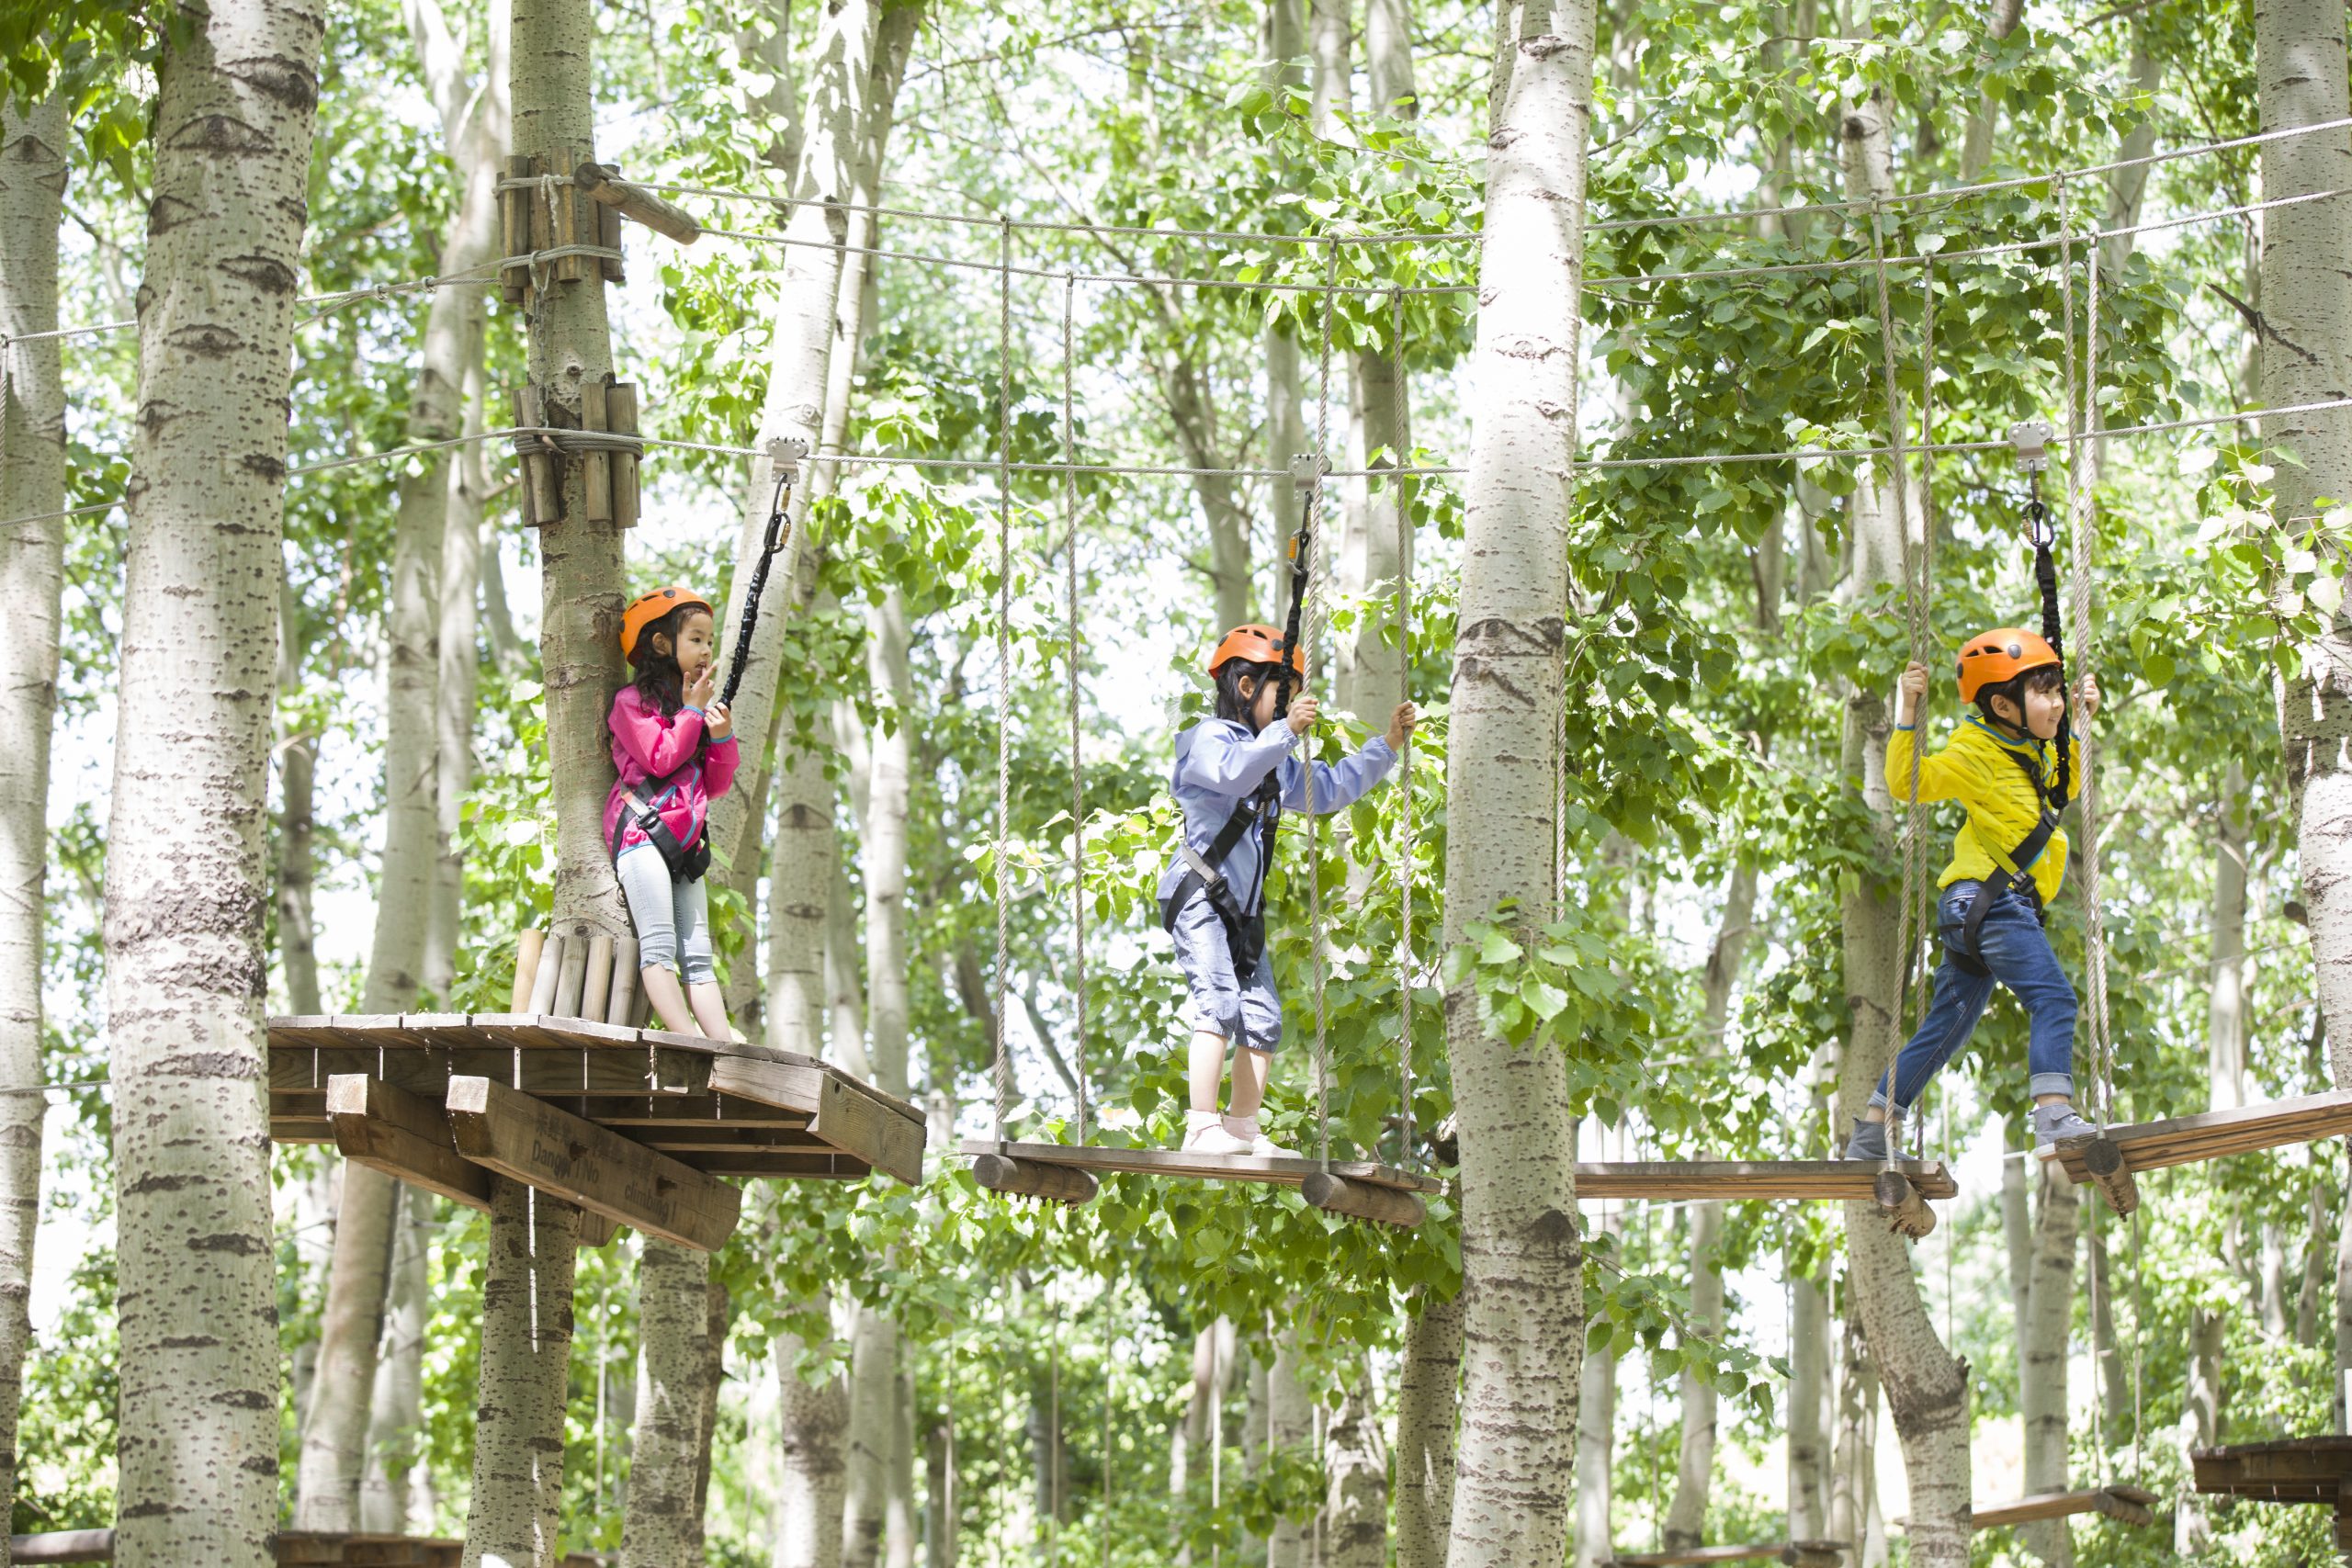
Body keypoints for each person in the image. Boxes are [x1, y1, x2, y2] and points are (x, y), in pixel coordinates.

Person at [1845, 627, 2103, 1161]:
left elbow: (2065, 788)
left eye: (2059, 691)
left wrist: (2080, 723)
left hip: (1979, 908)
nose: (2057, 703)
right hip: (1990, 904)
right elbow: (1908, 781)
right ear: (2003, 704)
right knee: (2053, 998)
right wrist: (1908, 707)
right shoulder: (1975, 752)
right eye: (2045, 693)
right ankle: (2053, 1113)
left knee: (1949, 1025)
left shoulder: (2031, 750)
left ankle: (1873, 1130)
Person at [1159, 624, 1417, 1156]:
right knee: (1219, 1001)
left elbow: (1325, 790)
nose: (1290, 709)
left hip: (1241, 908)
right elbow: (1231, 774)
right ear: (1248, 688)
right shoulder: (1209, 740)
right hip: (1200, 894)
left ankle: (1242, 1128)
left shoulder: (1272, 757)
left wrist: (1387, 745)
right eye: (1284, 697)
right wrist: (1283, 734)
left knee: (1262, 1016)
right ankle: (1200, 1124)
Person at [605, 584, 740, 1039]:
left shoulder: (694, 711)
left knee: (699, 957)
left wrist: (720, 737)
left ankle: (723, 1046)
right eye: (695, 639)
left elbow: (716, 785)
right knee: (660, 945)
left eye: (709, 640)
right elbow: (659, 758)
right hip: (642, 837)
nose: (706, 650)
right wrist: (693, 714)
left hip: (683, 846)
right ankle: (688, 1038)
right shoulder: (631, 704)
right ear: (662, 644)